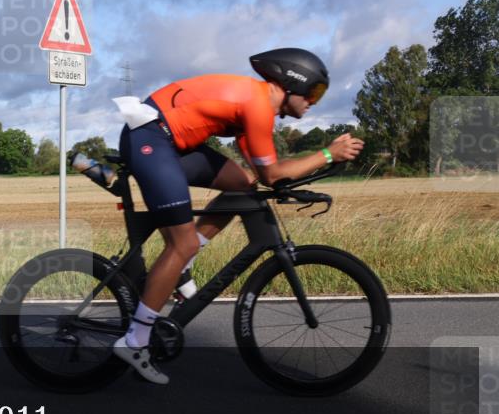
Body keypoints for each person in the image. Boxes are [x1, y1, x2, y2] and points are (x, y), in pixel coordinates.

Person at [111, 48, 364, 384]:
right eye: (313, 93)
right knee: (181, 244)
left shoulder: (255, 107)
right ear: (293, 83)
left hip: (168, 141)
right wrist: (328, 154)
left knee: (242, 186)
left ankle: (183, 265)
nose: (313, 102)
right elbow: (273, 175)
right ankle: (136, 341)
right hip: (150, 138)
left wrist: (313, 165)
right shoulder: (257, 105)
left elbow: (262, 176)